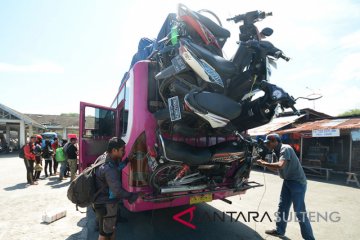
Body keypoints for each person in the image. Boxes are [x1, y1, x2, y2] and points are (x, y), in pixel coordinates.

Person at [256, 133, 315, 240]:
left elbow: (280, 165)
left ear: (275, 141)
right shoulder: (275, 152)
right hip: (287, 181)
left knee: (299, 212)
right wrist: (262, 164)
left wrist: (264, 163)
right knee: (282, 207)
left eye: (268, 143)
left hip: (297, 182)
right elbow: (276, 168)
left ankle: (310, 238)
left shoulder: (285, 148)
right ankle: (280, 231)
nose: (267, 145)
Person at [93, 137, 138, 240]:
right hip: (107, 205)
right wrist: (132, 196)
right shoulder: (109, 168)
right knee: (104, 235)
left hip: (101, 202)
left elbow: (116, 168)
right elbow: (117, 191)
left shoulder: (104, 158)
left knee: (110, 230)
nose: (124, 152)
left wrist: (127, 160)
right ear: (114, 150)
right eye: (122, 150)